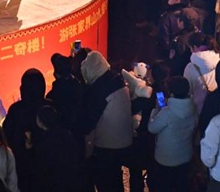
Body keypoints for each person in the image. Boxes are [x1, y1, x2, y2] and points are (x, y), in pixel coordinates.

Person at [80, 51, 134, 192]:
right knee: (116, 177)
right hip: (125, 140)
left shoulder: (99, 89)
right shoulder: (116, 78)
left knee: (106, 181)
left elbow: (89, 122)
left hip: (108, 145)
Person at [2, 68, 52, 192]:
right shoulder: (50, 106)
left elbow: (6, 135)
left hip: (22, 165)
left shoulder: (16, 110)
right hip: (48, 165)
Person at [147, 76, 196, 192]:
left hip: (166, 158)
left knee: (165, 186)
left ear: (171, 92)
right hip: (185, 155)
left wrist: (156, 110)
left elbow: (152, 128)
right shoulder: (193, 108)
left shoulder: (166, 113)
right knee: (181, 185)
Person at [183, 33, 220, 115]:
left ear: (194, 47)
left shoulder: (190, 68)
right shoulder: (219, 61)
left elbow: (186, 91)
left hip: (198, 110)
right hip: (216, 107)